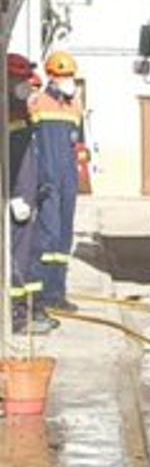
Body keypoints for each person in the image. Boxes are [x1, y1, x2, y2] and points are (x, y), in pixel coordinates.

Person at [27, 53, 86, 318]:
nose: (68, 81)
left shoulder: (74, 105)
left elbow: (78, 144)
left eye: (70, 76)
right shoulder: (37, 103)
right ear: (51, 76)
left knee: (63, 238)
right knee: (46, 238)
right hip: (47, 180)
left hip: (67, 181)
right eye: (63, 76)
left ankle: (57, 293)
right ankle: (39, 295)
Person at [8, 55, 53, 335]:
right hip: (16, 200)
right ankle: (16, 315)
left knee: (30, 255)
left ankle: (28, 308)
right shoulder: (9, 114)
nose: (28, 87)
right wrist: (11, 196)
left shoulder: (23, 114)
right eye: (23, 81)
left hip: (28, 198)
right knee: (16, 257)